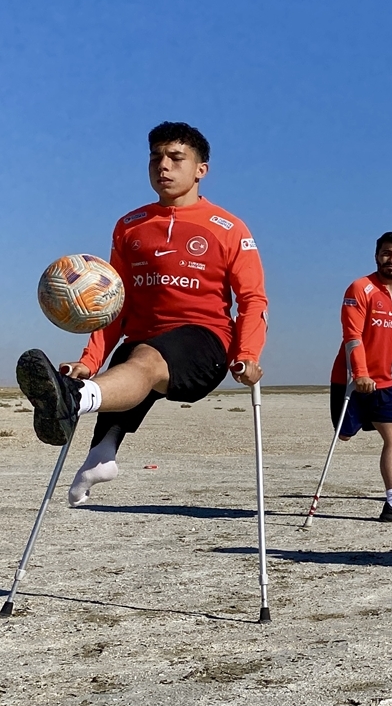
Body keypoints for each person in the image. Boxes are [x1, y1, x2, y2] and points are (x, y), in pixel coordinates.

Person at [16, 122, 268, 506]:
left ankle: (73, 399)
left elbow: (252, 299)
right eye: (155, 158)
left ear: (201, 169)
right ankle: (102, 453)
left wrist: (247, 354)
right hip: (142, 339)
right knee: (132, 358)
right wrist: (89, 360)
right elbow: (113, 303)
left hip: (204, 339)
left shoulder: (228, 227)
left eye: (175, 158)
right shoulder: (130, 226)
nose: (163, 166)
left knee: (145, 360)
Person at [330, 232, 392, 522]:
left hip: (384, 381)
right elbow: (352, 337)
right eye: (387, 253)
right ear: (377, 256)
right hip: (351, 379)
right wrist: (360, 373)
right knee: (344, 434)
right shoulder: (360, 288)